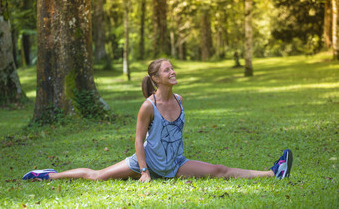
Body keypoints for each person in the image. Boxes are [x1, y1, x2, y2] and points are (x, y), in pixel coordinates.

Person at [23, 59, 293, 182]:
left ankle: (273, 172)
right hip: (147, 163)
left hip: (175, 164)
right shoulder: (147, 107)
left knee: (219, 170)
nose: (173, 72)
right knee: (96, 177)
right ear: (156, 78)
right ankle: (48, 175)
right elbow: (139, 141)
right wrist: (144, 172)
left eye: (172, 68)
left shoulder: (180, 100)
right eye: (168, 70)